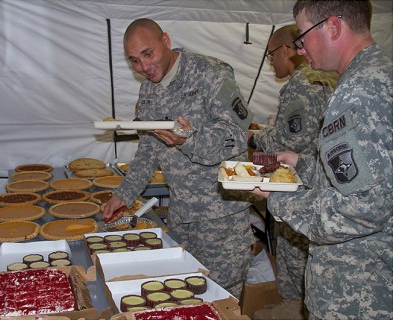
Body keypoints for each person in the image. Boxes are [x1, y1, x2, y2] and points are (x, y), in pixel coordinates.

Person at [254, 1, 392, 319]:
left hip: (357, 290)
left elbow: (361, 210)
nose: (300, 49)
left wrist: (279, 197)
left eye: (302, 36)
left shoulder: (358, 93)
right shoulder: (378, 75)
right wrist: (302, 165)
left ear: (332, 26)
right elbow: (366, 175)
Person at [102, 18, 255, 298]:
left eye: (148, 54)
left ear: (166, 41)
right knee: (180, 298)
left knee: (221, 302)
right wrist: (123, 195)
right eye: (134, 60)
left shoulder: (211, 73)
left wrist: (189, 139)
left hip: (221, 221)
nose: (144, 67)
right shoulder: (148, 90)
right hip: (180, 216)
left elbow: (236, 136)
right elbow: (148, 149)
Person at [248, 24, 338, 307]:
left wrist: (255, 137)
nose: (272, 62)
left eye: (271, 55)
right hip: (324, 187)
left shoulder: (300, 85)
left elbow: (290, 140)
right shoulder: (329, 78)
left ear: (286, 49)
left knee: (294, 263)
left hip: (299, 188)